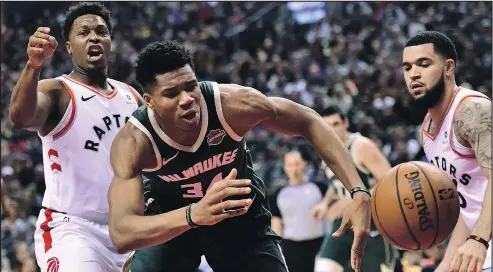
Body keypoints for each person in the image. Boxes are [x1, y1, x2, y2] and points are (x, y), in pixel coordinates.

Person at [107, 40, 372, 272]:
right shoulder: (135, 141)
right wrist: (194, 214)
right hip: (173, 224)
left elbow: (308, 121)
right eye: (171, 94)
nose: (187, 99)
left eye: (191, 86)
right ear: (149, 101)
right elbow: (121, 233)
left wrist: (358, 190)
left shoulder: (232, 105)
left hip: (240, 217)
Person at [8, 2, 142, 271]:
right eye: (84, 32)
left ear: (110, 41)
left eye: (101, 32)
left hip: (131, 227)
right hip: (75, 229)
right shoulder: (59, 91)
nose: (94, 37)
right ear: (69, 46)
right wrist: (33, 66)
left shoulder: (132, 96)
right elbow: (20, 117)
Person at [402, 30, 491, 272]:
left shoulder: (472, 111)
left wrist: (479, 239)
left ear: (449, 67)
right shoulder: (427, 129)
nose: (414, 74)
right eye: (407, 68)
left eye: (424, 64)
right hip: (478, 249)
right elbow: (468, 204)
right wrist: (446, 266)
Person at [313, 106, 397, 272]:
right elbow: (335, 183)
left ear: (346, 123)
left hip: (372, 223)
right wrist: (325, 203)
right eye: (327, 126)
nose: (332, 129)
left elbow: (392, 184)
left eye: (336, 124)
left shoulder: (361, 147)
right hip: (344, 224)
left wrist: (354, 200)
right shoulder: (325, 149)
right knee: (323, 267)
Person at [270, 150, 328, 272]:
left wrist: (325, 203)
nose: (294, 168)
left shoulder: (320, 187)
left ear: (304, 164)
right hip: (291, 248)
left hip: (319, 244)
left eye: (297, 163)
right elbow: (276, 226)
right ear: (285, 167)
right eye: (289, 164)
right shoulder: (278, 194)